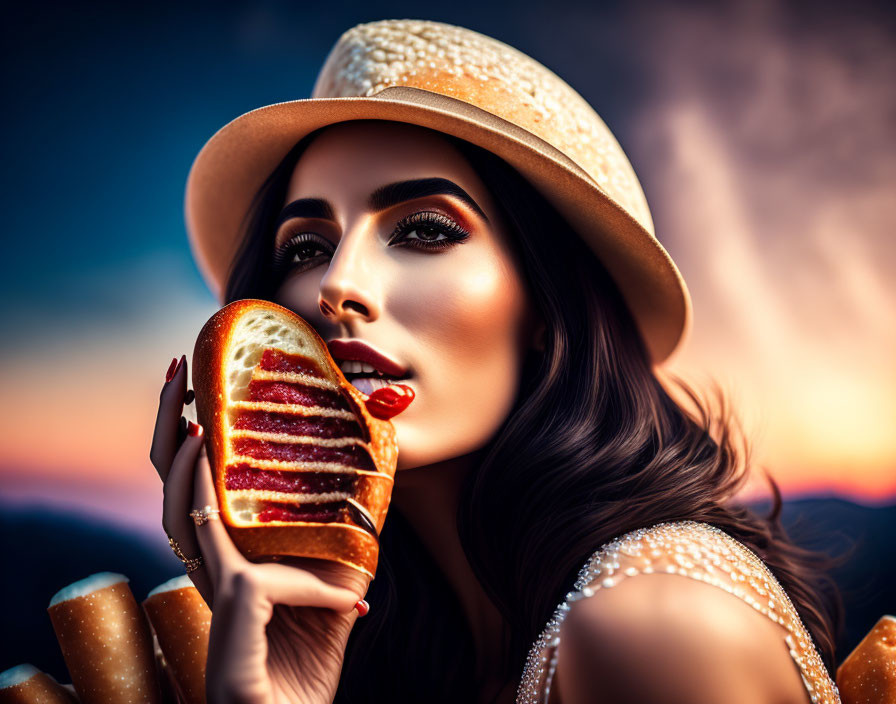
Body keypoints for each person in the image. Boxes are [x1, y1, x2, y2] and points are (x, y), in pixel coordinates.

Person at [152, 19, 844, 704]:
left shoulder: (650, 621)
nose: (337, 284)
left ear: (548, 303)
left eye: (425, 230)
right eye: (305, 247)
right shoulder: (404, 643)